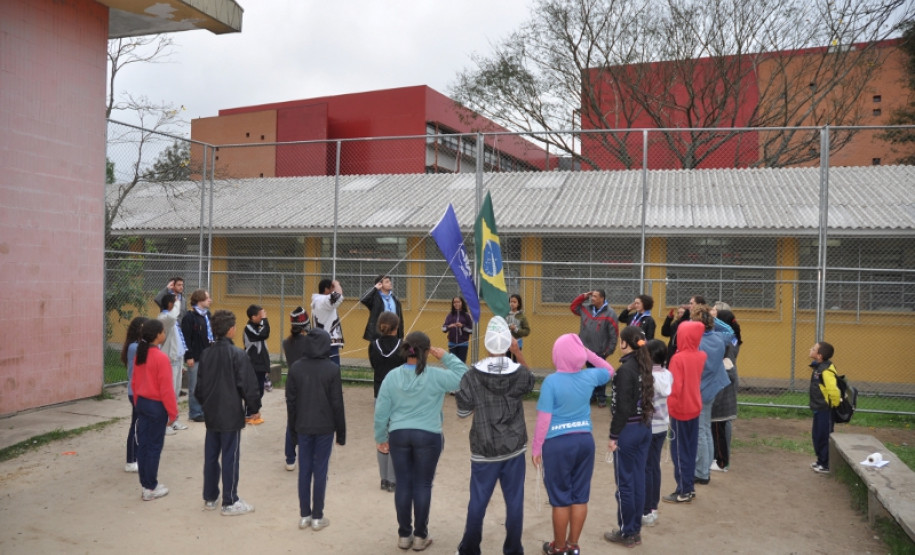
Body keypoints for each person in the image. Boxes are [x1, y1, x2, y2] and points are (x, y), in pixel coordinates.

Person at [373, 331, 468, 552]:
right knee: (423, 484)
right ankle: (420, 536)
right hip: (428, 435)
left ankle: (404, 535)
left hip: (399, 434)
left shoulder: (392, 376)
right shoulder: (435, 375)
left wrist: (380, 437)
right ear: (426, 352)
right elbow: (464, 377)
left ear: (405, 350)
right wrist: (446, 356)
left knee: (403, 484)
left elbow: (381, 411)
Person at [454, 317, 534, 555]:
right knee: (514, 502)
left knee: (478, 501)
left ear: (486, 343)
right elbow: (530, 381)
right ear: (509, 343)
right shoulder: (519, 373)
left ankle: (469, 549)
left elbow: (463, 412)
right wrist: (518, 353)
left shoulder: (471, 376)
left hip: (484, 447)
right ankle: (513, 549)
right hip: (514, 447)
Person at [532, 334, 613, 555]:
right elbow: (609, 370)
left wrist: (537, 448)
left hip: (558, 444)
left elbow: (544, 419)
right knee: (580, 496)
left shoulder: (551, 382)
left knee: (560, 499)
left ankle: (558, 548)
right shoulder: (589, 377)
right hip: (584, 441)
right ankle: (573, 545)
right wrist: (586, 353)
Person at [194, 309, 262, 516]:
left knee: (211, 455)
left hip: (212, 413)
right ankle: (230, 501)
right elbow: (248, 385)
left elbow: (199, 388)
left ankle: (210, 497)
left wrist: (206, 404)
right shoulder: (238, 354)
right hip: (230, 414)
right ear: (231, 330)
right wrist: (253, 408)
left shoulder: (206, 354)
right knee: (230, 456)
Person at [286, 327, 347, 531]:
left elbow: (290, 402)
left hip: (303, 425)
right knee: (320, 470)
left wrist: (293, 429)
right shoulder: (332, 369)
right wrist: (341, 432)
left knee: (304, 470)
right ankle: (317, 516)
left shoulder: (296, 368)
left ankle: (305, 515)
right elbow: (337, 403)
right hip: (324, 426)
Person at [603, 326, 654, 548]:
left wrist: (613, 435)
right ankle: (635, 530)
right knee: (638, 479)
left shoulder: (625, 370)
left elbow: (623, 408)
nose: (618, 344)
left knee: (625, 483)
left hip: (629, 431)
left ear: (625, 343)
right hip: (644, 427)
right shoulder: (644, 364)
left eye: (620, 340)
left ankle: (628, 532)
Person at [131, 318, 178, 501]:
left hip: (142, 403)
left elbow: (134, 382)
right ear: (158, 335)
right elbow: (166, 389)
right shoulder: (161, 358)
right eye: (163, 331)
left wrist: (138, 402)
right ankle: (150, 487)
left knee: (143, 445)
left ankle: (146, 484)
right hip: (156, 406)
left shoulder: (140, 355)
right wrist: (173, 413)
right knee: (154, 447)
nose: (164, 334)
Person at [662, 320, 706, 504]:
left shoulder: (678, 358)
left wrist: (668, 410)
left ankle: (684, 490)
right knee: (690, 449)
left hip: (680, 409)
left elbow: (675, 387)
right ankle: (689, 486)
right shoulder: (701, 355)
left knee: (679, 452)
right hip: (694, 407)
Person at [691, 304, 734, 486]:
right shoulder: (718, 337)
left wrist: (706, 318)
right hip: (713, 388)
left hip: (700, 389)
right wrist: (712, 318)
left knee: (701, 431)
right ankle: (705, 469)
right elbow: (730, 331)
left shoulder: (697, 342)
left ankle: (701, 472)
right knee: (706, 429)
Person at [368, 311, 405, 492]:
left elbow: (374, 365)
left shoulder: (373, 345)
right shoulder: (403, 345)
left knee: (382, 436)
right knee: (395, 437)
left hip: (379, 394)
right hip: (398, 396)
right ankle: (392, 479)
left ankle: (384, 478)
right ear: (396, 327)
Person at [570, 289, 619, 408]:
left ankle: (601, 398)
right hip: (585, 349)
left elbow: (614, 334)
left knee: (600, 374)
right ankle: (591, 397)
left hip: (600, 351)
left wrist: (609, 350)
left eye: (595, 296)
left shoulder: (610, 313)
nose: (592, 298)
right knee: (589, 374)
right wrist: (583, 296)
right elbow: (573, 307)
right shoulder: (586, 309)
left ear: (602, 298)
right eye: (592, 296)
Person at [642, 339, 672, 526]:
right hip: (662, 427)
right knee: (654, 466)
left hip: (649, 427)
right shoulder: (667, 374)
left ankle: (646, 511)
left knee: (646, 468)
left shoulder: (648, 377)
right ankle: (653, 507)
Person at [710, 308, 740, 472]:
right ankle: (719, 458)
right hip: (725, 383)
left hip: (723, 387)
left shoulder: (726, 341)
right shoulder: (732, 338)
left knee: (719, 425)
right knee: (718, 426)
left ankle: (722, 461)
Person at [282, 306, 311, 471]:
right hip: (307, 385)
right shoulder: (309, 342)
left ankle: (290, 458)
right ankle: (306, 455)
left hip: (292, 386)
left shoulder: (287, 342)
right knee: (308, 421)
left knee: (291, 421)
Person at [181, 289, 214, 422]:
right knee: (194, 386)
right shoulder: (190, 317)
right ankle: (195, 412)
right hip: (195, 356)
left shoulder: (207, 315)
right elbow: (186, 338)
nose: (210, 300)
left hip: (207, 355)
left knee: (205, 385)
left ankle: (204, 410)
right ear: (200, 300)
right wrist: (188, 356)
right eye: (207, 298)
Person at [121, 316, 148, 473]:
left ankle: (138, 456)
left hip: (142, 391)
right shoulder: (134, 347)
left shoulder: (140, 346)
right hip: (136, 392)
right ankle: (131, 460)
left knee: (141, 425)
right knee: (136, 424)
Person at [158, 293, 188, 434]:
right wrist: (177, 303)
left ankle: (173, 420)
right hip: (170, 360)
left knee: (175, 393)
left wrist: (181, 362)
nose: (178, 306)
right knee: (168, 393)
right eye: (175, 303)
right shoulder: (164, 318)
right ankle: (164, 424)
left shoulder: (172, 320)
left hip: (177, 359)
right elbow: (173, 315)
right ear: (170, 304)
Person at [809, 341, 840, 474]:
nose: (810, 349)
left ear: (819, 355)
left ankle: (826, 464)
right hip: (818, 407)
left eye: (813, 348)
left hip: (825, 409)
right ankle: (820, 460)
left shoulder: (826, 370)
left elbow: (833, 390)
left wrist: (834, 405)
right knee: (817, 435)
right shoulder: (819, 367)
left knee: (824, 436)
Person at [243, 304, 270, 425]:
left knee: (260, 390)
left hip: (261, 364)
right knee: (253, 390)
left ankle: (254, 412)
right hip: (253, 364)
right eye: (261, 315)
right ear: (253, 317)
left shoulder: (259, 326)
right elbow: (263, 334)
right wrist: (265, 320)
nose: (263, 316)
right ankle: (249, 413)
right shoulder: (249, 328)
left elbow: (265, 333)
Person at [311, 278, 345, 364]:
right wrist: (336, 284)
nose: (334, 290)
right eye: (332, 288)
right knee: (333, 368)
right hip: (328, 342)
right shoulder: (323, 300)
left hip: (322, 340)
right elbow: (338, 296)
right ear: (326, 289)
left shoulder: (319, 300)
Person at [361, 274, 404, 341]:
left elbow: (400, 317)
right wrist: (374, 288)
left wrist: (401, 335)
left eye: (390, 281)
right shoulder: (375, 298)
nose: (390, 283)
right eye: (387, 282)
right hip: (379, 332)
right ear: (380, 285)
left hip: (394, 332)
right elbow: (363, 299)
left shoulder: (395, 299)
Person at [442, 296, 473, 363]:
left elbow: (471, 330)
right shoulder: (450, 315)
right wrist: (449, 326)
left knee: (461, 363)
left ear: (462, 303)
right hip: (452, 344)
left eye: (458, 302)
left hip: (463, 344)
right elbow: (443, 329)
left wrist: (462, 326)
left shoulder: (467, 315)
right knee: (452, 363)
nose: (456, 304)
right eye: (454, 302)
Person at [505, 294, 530, 360]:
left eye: (514, 302)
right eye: (511, 302)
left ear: (518, 304)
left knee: (516, 361)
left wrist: (516, 329)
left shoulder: (522, 316)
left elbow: (527, 331)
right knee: (507, 361)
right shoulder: (505, 315)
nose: (512, 304)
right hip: (506, 342)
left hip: (517, 342)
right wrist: (508, 327)